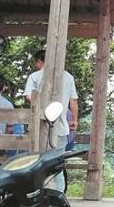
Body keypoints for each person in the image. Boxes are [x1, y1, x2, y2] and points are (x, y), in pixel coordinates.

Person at [23, 50, 78, 191]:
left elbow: (28, 96)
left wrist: (41, 102)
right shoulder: (68, 77)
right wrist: (74, 120)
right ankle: (59, 193)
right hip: (61, 127)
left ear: (41, 61)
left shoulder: (35, 76)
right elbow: (73, 101)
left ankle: (37, 192)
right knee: (57, 163)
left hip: (39, 127)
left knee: (37, 161)